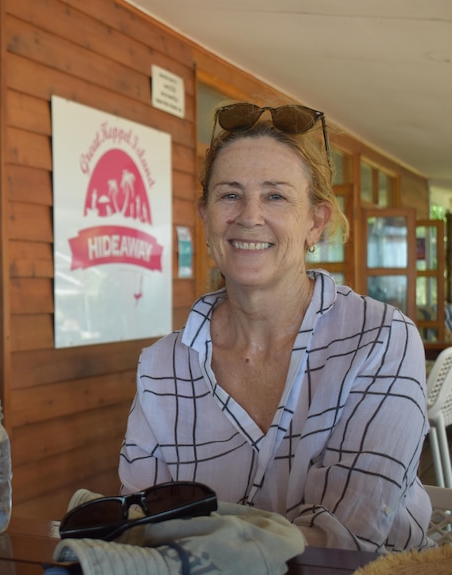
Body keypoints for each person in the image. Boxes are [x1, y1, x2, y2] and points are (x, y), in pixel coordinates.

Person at [119, 102, 433, 551]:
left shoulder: (381, 340)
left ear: (315, 223)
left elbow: (347, 539)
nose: (249, 215)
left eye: (275, 196)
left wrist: (194, 535)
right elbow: (141, 524)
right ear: (206, 217)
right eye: (229, 194)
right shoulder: (161, 367)